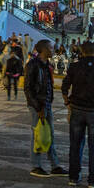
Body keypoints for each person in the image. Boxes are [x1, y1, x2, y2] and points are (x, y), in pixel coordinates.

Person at [61, 42, 94, 188]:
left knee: (75, 145)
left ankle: (73, 177)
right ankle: (93, 179)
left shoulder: (74, 67)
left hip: (77, 108)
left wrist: (67, 104)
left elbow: (65, 86)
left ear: (81, 52)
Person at [26, 39, 67, 176]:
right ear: (43, 50)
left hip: (46, 104)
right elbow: (28, 88)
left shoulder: (46, 64)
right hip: (38, 106)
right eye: (50, 47)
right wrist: (38, 107)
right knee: (38, 134)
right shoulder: (33, 65)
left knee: (49, 134)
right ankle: (36, 165)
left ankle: (54, 165)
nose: (53, 50)